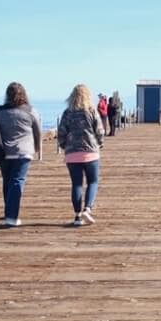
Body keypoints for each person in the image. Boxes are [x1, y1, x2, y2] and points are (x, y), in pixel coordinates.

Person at [0, 81, 42, 227]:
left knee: (7, 181)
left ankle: (9, 211)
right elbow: (37, 131)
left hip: (3, 153)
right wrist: (37, 148)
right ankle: (11, 216)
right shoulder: (30, 111)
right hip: (23, 153)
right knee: (17, 181)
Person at [58, 84, 105, 226]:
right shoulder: (91, 111)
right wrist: (100, 143)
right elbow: (100, 131)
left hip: (72, 153)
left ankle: (77, 216)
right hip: (90, 152)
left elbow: (61, 133)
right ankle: (87, 209)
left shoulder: (67, 113)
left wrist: (64, 145)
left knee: (76, 184)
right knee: (93, 182)